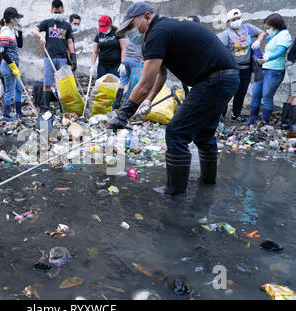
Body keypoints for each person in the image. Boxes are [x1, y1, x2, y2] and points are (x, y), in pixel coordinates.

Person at [107, 2, 240, 196]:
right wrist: (148, 101)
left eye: (131, 26)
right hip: (225, 77)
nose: (130, 32)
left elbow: (144, 83)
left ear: (147, 16)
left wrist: (123, 114)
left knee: (176, 132)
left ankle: (175, 192)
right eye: (127, 29)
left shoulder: (157, 32)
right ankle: (207, 183)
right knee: (204, 134)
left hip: (214, 80)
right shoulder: (163, 30)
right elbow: (161, 75)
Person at [218, 9, 266, 123]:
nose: (237, 21)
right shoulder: (226, 34)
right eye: (233, 19)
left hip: (246, 67)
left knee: (241, 92)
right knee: (228, 92)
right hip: (233, 68)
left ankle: (236, 114)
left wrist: (258, 41)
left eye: (238, 18)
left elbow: (262, 32)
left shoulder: (247, 28)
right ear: (228, 22)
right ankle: (222, 115)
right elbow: (218, 48)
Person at [244, 13, 292, 126]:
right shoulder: (275, 35)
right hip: (263, 68)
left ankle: (264, 122)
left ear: (276, 25)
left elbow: (280, 51)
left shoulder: (284, 35)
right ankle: (252, 119)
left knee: (267, 95)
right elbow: (271, 47)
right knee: (256, 94)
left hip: (274, 71)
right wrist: (264, 39)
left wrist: (267, 59)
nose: (267, 30)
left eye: (269, 28)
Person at [31, 0, 76, 115]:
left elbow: (70, 43)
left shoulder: (66, 26)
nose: (57, 13)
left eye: (59, 12)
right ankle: (46, 107)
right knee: (47, 83)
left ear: (63, 11)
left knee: (62, 84)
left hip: (62, 59)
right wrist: (41, 36)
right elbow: (34, 30)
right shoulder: (47, 23)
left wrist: (73, 57)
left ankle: (62, 107)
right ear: (51, 11)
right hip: (49, 58)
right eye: (55, 12)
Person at [90, 16, 126, 110]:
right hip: (102, 65)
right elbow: (95, 51)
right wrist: (92, 66)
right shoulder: (99, 35)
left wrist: (123, 63)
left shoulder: (118, 33)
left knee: (112, 88)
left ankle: (111, 109)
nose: (103, 30)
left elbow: (123, 48)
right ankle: (101, 109)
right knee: (101, 87)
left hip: (115, 65)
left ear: (109, 24)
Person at [0, 7, 25, 121]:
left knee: (19, 88)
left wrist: (19, 31)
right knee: (9, 91)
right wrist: (12, 65)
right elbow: (2, 51)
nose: (18, 19)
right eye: (17, 18)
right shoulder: (5, 32)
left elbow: (19, 45)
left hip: (13, 66)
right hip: (8, 66)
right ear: (12, 19)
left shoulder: (11, 31)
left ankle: (19, 112)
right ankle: (6, 115)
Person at [118, 37, 143, 110]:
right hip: (136, 62)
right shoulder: (141, 35)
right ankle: (127, 105)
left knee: (122, 82)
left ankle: (118, 103)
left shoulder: (125, 34)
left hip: (125, 61)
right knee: (133, 85)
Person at [282, 38, 296, 131]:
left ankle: (285, 123)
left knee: (292, 93)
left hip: (292, 63)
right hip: (295, 64)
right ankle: (293, 125)